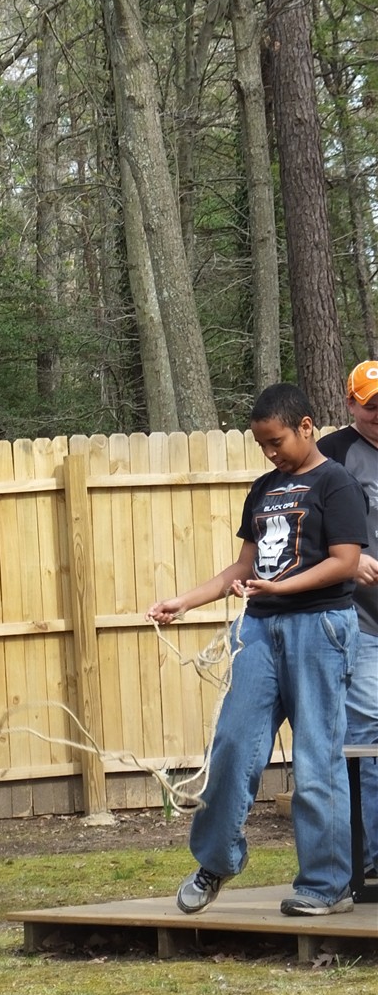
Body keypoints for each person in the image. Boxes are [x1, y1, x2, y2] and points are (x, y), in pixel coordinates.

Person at [148, 383, 365, 916]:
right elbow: (243, 568)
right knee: (231, 746)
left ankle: (326, 885)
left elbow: (344, 562)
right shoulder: (264, 489)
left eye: (276, 441)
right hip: (259, 632)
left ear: (306, 427)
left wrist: (281, 587)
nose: (270, 453)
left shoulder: (336, 483)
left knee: (316, 758)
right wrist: (184, 601)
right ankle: (216, 861)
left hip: (320, 627)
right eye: (262, 444)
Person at [317, 361, 378, 876]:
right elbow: (301, 526)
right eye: (372, 405)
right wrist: (347, 560)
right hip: (361, 623)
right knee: (371, 734)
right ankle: (373, 858)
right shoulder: (332, 455)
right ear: (351, 404)